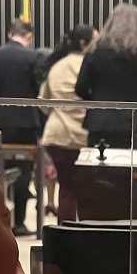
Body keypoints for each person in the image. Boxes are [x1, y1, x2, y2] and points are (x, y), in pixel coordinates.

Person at [75, 3, 137, 150]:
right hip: (134, 123)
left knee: (99, 162)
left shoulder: (95, 49)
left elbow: (80, 88)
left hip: (99, 122)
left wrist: (97, 101)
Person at [0, 19, 43, 236]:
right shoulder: (33, 56)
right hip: (25, 123)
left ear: (10, 34)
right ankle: (19, 222)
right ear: (28, 36)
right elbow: (37, 89)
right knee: (23, 173)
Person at [39, 24, 96, 224]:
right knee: (89, 192)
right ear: (83, 44)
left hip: (57, 134)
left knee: (67, 189)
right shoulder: (90, 65)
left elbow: (43, 104)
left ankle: (64, 234)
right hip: (85, 136)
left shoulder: (57, 66)